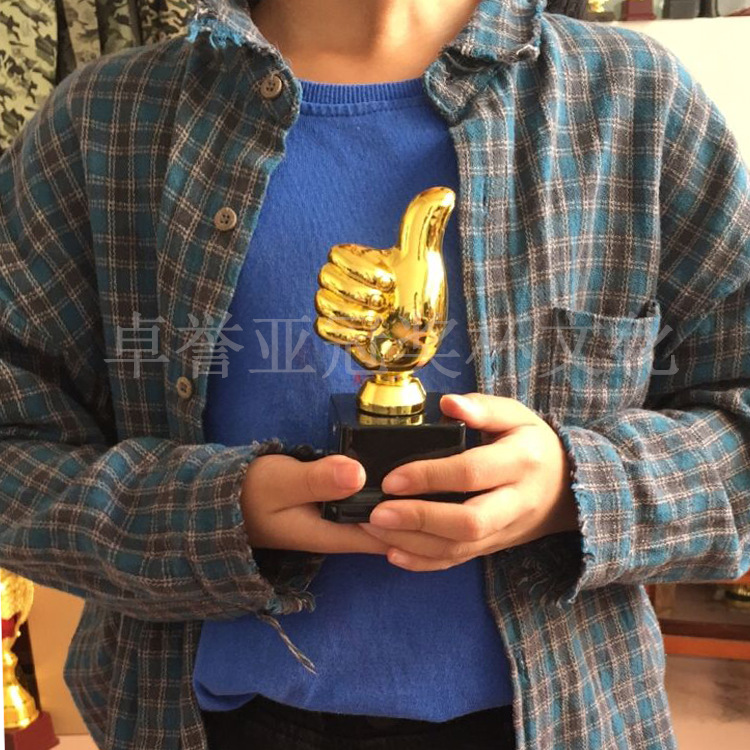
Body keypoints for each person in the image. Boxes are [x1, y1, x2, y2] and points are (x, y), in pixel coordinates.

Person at [0, 0, 748, 748]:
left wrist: (575, 487)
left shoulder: (633, 100)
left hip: (564, 717)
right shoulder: (105, 120)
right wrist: (215, 515)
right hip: (206, 718)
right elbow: (15, 454)